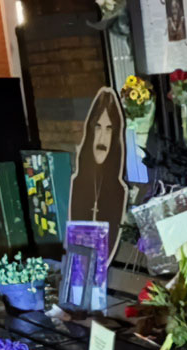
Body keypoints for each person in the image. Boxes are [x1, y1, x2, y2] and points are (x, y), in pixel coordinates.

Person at [69, 88, 128, 264]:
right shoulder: (79, 182)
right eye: (98, 127)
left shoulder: (118, 189)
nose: (102, 138)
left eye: (109, 130)